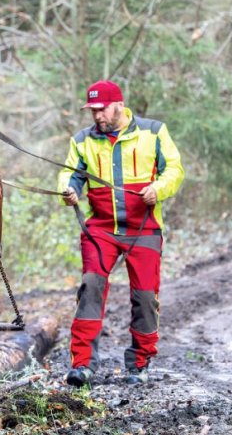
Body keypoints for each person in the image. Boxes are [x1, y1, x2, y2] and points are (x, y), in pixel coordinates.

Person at [58, 80, 184, 387]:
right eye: (92, 110)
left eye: (102, 109)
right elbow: (71, 173)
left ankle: (139, 363)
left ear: (119, 105)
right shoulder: (83, 140)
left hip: (145, 229)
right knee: (90, 286)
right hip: (100, 229)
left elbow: (175, 170)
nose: (97, 116)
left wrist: (158, 189)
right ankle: (83, 364)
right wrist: (69, 190)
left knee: (144, 296)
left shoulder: (153, 132)